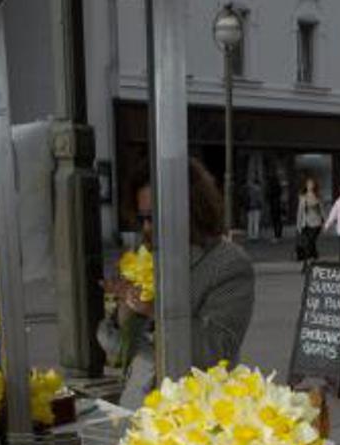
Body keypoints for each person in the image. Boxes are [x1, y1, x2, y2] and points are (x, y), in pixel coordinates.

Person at [98, 159, 255, 410]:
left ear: (190, 211)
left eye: (154, 218)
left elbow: (217, 351)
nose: (147, 228)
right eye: (142, 218)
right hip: (138, 405)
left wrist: (155, 310)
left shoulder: (229, 264)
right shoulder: (146, 257)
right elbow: (117, 354)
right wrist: (123, 314)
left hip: (192, 412)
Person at [296, 178, 325, 266]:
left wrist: (325, 222)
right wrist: (298, 225)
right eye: (308, 184)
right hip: (306, 223)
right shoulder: (303, 197)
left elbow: (322, 210)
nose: (310, 186)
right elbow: (300, 212)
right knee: (308, 243)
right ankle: (313, 258)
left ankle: (309, 260)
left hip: (316, 223)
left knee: (311, 241)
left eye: (312, 184)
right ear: (306, 186)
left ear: (314, 186)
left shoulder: (318, 197)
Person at [245, 177, 264, 242]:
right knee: (256, 222)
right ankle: (255, 235)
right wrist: (261, 205)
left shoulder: (249, 190)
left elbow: (247, 198)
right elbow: (260, 199)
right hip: (257, 207)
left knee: (250, 222)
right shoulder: (258, 190)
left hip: (249, 207)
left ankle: (250, 235)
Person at [268, 176, 286, 241]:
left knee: (275, 221)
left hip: (274, 206)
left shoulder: (271, 189)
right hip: (278, 205)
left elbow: (269, 196)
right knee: (279, 221)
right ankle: (279, 234)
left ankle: (276, 234)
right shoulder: (279, 188)